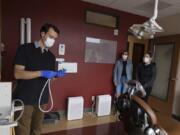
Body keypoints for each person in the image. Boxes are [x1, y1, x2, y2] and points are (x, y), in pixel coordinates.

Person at [13, 23, 65, 135]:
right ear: (42, 34)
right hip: (25, 98)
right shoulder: (25, 49)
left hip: (42, 100)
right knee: (23, 130)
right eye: (51, 37)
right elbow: (18, 74)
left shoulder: (51, 57)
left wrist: (56, 75)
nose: (53, 41)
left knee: (37, 130)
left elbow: (50, 80)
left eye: (55, 38)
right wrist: (41, 72)